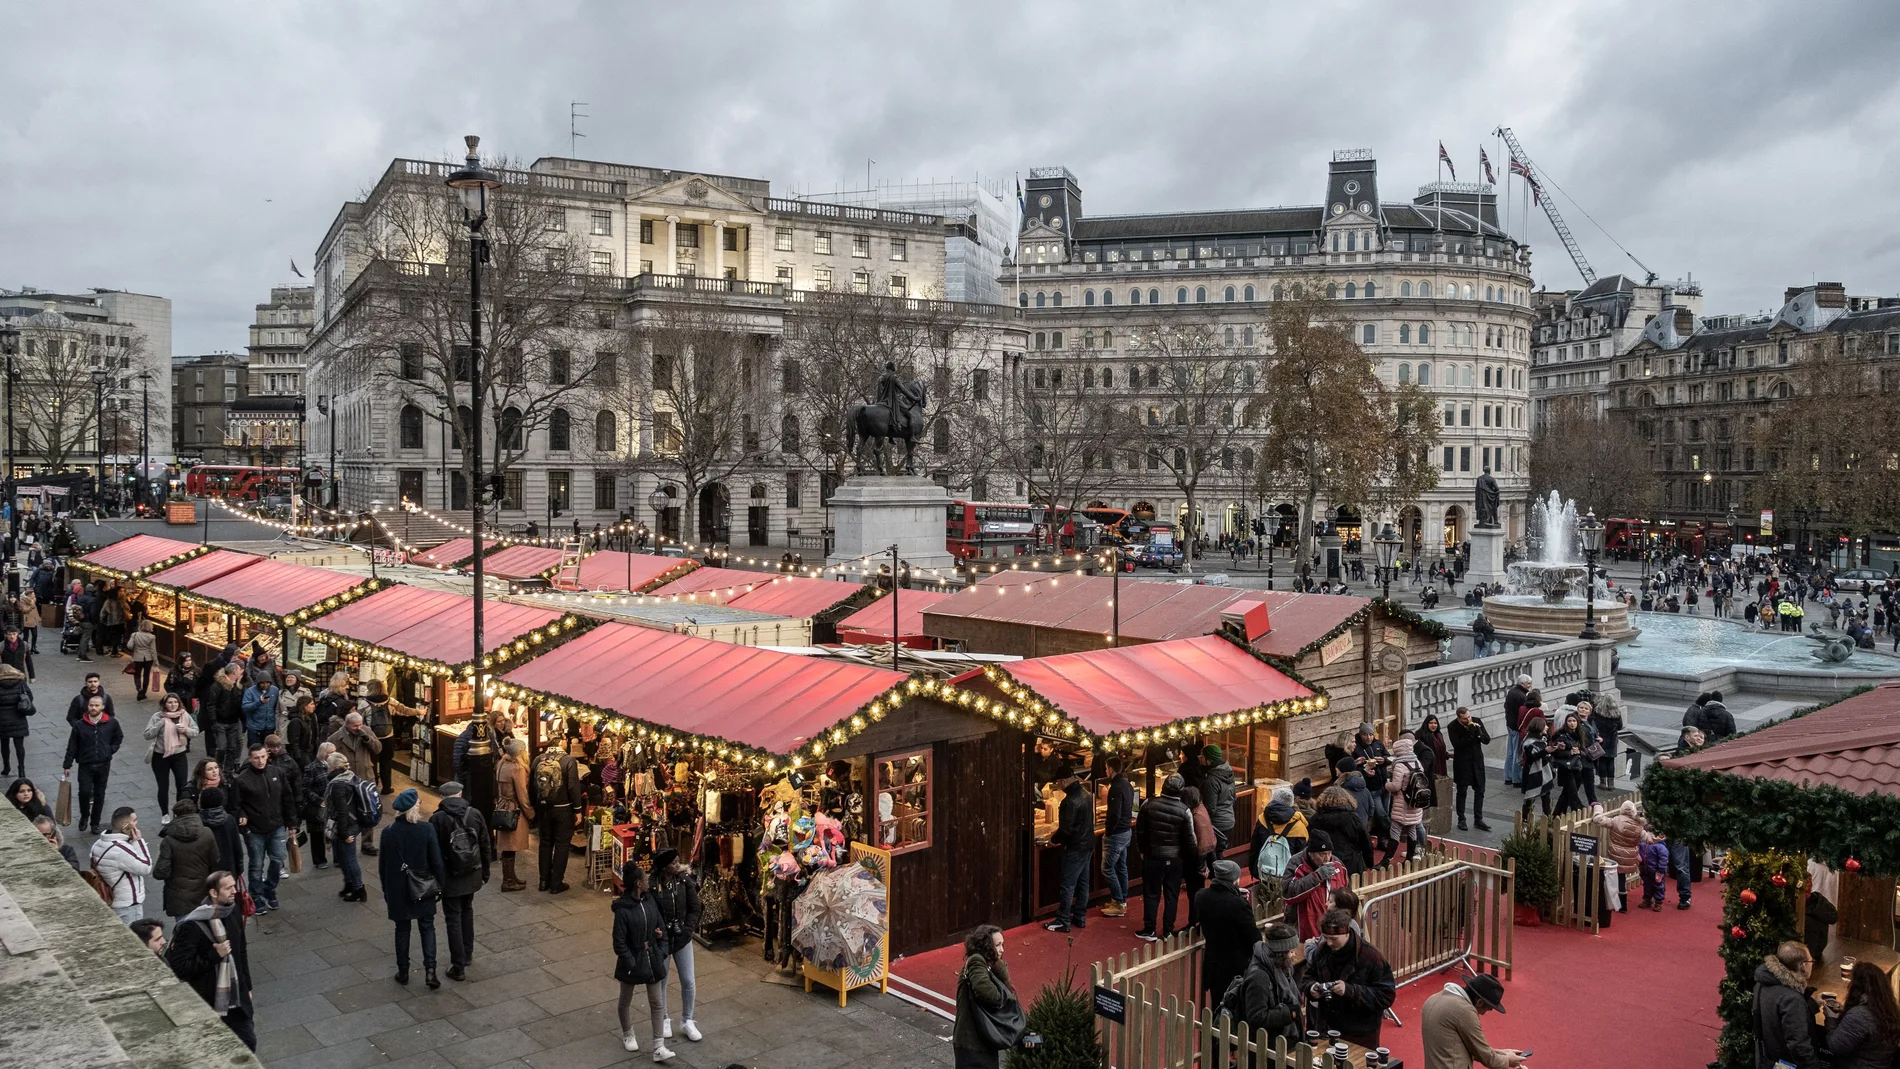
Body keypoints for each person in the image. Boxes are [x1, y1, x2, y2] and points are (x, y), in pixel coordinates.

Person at [167, 871, 256, 1050]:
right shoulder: (192, 926)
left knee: (249, 1042)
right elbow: (181, 967)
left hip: (237, 994)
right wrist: (214, 955)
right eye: (228, 888)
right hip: (210, 997)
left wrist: (247, 986)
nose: (234, 891)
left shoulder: (233, 911)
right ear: (213, 893)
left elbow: (241, 951)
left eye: (234, 886)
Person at [379, 789, 445, 988]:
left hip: (398, 889)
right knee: (427, 927)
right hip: (422, 886)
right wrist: (440, 884)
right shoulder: (426, 830)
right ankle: (430, 972)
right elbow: (436, 861)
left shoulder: (388, 833)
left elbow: (383, 867)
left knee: (402, 929)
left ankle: (403, 971)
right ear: (415, 807)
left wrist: (386, 891)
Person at [1305, 908, 1396, 1048]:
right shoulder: (1321, 952)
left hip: (1360, 1034)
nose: (1328, 943)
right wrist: (1311, 988)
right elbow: (1308, 977)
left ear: (1346, 933)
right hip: (1327, 1028)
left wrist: (1350, 991)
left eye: (1333, 939)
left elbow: (1386, 995)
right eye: (1325, 937)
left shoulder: (1371, 957)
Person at [428, 780, 492, 982]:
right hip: (472, 873)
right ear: (460, 795)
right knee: (467, 911)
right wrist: (485, 872)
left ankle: (458, 965)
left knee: (453, 918)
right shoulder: (474, 814)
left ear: (443, 798)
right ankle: (468, 953)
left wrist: (435, 879)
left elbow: (433, 854)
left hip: (450, 877)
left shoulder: (437, 819)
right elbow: (485, 844)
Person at [612, 860, 675, 1062]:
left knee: (656, 1002)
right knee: (625, 1000)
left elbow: (661, 927)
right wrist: (631, 962)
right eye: (645, 878)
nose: (649, 881)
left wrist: (661, 946)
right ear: (638, 883)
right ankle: (627, 1033)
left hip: (652, 956)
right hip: (634, 959)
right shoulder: (623, 910)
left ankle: (658, 1046)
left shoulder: (650, 901)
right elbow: (619, 942)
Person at [232, 742, 295, 914]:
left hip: (276, 826)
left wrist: (291, 823)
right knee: (256, 865)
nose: (260, 761)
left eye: (263, 757)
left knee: (278, 859)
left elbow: (287, 798)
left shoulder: (277, 772)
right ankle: (257, 896)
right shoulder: (242, 780)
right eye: (256, 758)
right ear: (250, 759)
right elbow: (236, 805)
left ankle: (269, 887)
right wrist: (244, 823)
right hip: (255, 830)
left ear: (267, 756)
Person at [1133, 773, 1197, 942]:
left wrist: (1141, 850)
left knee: (1151, 893)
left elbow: (1140, 830)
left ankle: (1149, 929)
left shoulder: (1148, 804)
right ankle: (1168, 930)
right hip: (1175, 858)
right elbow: (1191, 840)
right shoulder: (1185, 811)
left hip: (1152, 856)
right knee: (1172, 895)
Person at [651, 848, 704, 1046]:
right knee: (662, 981)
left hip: (682, 938)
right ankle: (664, 1018)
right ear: (664, 866)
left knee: (688, 980)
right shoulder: (653, 885)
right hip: (662, 939)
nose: (677, 864)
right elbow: (651, 911)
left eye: (677, 861)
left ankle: (687, 1020)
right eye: (673, 862)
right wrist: (659, 932)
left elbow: (695, 907)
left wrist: (688, 929)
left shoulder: (684, 881)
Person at [1420, 973, 1524, 1069]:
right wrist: (1508, 1060)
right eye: (1487, 1009)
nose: (1483, 1014)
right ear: (1479, 1002)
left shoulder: (1433, 999)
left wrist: (1503, 1053)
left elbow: (1462, 1047)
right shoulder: (1465, 1012)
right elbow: (1487, 1058)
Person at [1195, 859, 1258, 1009]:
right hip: (1236, 968)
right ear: (1235, 879)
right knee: (1236, 1011)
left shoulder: (1201, 896)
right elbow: (1253, 938)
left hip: (1214, 964)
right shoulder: (1239, 905)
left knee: (1217, 1008)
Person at [952, 924, 1015, 1069]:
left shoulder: (987, 965)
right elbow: (991, 995)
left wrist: (997, 965)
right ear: (987, 946)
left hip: (982, 1040)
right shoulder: (976, 962)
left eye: (1002, 944)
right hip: (972, 1044)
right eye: (998, 945)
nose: (1002, 949)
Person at [1229, 923, 1303, 1046]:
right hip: (1266, 1045)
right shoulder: (1259, 977)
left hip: (1281, 1039)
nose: (1293, 955)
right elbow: (1256, 1017)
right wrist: (1290, 1013)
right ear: (1279, 953)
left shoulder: (1281, 968)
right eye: (1290, 951)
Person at [152, 798, 222, 921]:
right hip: (203, 894)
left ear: (176, 815)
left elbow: (160, 872)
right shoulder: (207, 832)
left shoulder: (168, 840)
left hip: (179, 897)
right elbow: (215, 860)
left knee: (184, 933)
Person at [1751, 941, 1818, 1069]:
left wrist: (1812, 1005)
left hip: (1769, 1060)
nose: (1812, 965)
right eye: (1811, 961)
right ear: (1803, 966)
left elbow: (1776, 1016)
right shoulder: (1792, 999)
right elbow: (1799, 1045)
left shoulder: (1764, 982)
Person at [1043, 764, 1094, 932]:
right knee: (1083, 882)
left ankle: (1063, 919)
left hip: (1075, 847)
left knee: (1068, 884)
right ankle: (1079, 916)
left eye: (1058, 783)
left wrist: (1053, 840)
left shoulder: (1069, 802)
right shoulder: (1086, 794)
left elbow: (1066, 829)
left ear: (1063, 781)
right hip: (1087, 843)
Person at [1823, 959, 1900, 1069]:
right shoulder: (1888, 1009)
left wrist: (1831, 1019)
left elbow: (1835, 1047)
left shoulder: (1859, 1015)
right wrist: (1845, 1012)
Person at [64, 693, 123, 834]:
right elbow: (72, 745)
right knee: (84, 792)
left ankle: (95, 822)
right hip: (85, 764)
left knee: (99, 795)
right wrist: (67, 764)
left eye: (97, 705)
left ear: (102, 707)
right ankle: (85, 815)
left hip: (103, 764)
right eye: (91, 705)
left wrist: (110, 750)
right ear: (87, 706)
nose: (93, 708)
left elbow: (118, 737)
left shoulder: (112, 723)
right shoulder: (79, 725)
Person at [326, 712, 382, 853]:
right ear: (346, 724)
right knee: (347, 812)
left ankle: (367, 843)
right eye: (355, 725)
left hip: (365, 776)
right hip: (346, 780)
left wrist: (367, 739)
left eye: (360, 724)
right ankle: (346, 843)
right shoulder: (335, 738)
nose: (358, 728)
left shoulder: (366, 732)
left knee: (368, 810)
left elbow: (378, 749)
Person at [533, 743, 583, 894]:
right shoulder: (568, 761)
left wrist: (535, 807)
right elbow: (573, 787)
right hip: (563, 809)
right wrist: (578, 809)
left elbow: (532, 785)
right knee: (562, 844)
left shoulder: (537, 760)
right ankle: (556, 883)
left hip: (544, 809)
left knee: (545, 843)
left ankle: (543, 881)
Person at [1281, 830, 1348, 940]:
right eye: (1322, 854)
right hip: (1303, 933)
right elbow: (1288, 893)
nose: (1327, 858)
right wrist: (1317, 876)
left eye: (1329, 853)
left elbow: (1345, 894)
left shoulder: (1338, 865)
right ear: (1311, 853)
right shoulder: (1296, 863)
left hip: (1331, 932)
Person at [1250, 786, 1308, 910]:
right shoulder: (1299, 826)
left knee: (1265, 906)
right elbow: (1302, 855)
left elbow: (1255, 847)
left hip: (1265, 873)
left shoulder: (1262, 819)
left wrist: (1254, 869)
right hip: (1288, 876)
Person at [144, 694, 197, 823]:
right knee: (163, 786)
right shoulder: (157, 717)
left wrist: (185, 730)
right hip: (160, 756)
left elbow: (195, 731)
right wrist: (160, 725)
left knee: (182, 785)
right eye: (169, 702)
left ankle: (180, 812)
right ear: (164, 704)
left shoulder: (185, 715)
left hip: (179, 755)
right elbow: (147, 734)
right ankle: (165, 814)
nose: (173, 705)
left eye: (175, 702)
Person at [322, 752, 368, 901]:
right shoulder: (350, 776)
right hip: (352, 823)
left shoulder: (337, 785)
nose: (327, 768)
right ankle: (349, 883)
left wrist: (344, 833)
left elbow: (342, 811)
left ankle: (359, 889)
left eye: (328, 765)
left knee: (349, 858)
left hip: (345, 826)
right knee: (342, 857)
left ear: (334, 767)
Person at [494, 737, 534, 892]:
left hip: (502, 806)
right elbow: (522, 795)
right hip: (513, 809)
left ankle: (511, 877)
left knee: (507, 846)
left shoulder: (502, 764)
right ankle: (508, 881)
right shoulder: (517, 769)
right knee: (510, 846)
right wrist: (530, 813)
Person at [1309, 786, 1374, 876]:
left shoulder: (1315, 818)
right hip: (1350, 861)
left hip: (1325, 861)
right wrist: (1369, 862)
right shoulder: (1352, 818)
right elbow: (1365, 840)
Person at [1384, 737, 1430, 863]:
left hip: (1402, 804)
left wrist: (1386, 784)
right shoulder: (1417, 762)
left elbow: (1396, 786)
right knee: (1412, 829)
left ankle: (1387, 860)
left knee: (1395, 830)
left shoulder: (1399, 765)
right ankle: (1409, 858)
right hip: (1415, 804)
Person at [1100, 754, 1135, 918]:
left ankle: (1119, 902)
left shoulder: (1115, 788)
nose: (1105, 770)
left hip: (1117, 834)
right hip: (1126, 831)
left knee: (1107, 868)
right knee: (1121, 866)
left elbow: (1115, 813)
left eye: (1106, 768)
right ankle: (1120, 899)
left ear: (1111, 769)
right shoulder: (1127, 784)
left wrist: (1109, 830)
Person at [1447, 706, 1492, 832]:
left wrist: (1479, 734)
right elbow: (1458, 745)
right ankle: (1461, 818)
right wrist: (1470, 733)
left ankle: (1478, 819)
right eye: (1465, 719)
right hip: (1463, 763)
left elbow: (1487, 740)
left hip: (1477, 761)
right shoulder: (1452, 727)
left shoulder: (1477, 721)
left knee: (1480, 790)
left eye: (1469, 717)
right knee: (1462, 791)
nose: (1468, 719)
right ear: (1459, 718)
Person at [1180, 785, 1217, 928]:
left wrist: (1201, 867)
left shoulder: (1196, 816)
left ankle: (1193, 923)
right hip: (1202, 859)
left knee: (1194, 893)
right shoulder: (1201, 810)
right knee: (1196, 892)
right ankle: (1196, 921)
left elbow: (1203, 844)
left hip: (1196, 861)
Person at [297, 741, 334, 870]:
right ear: (324, 754)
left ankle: (337, 858)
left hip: (332, 805)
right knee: (317, 835)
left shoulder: (336, 765)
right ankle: (319, 860)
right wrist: (319, 801)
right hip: (317, 807)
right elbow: (305, 788)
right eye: (330, 753)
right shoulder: (311, 768)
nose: (333, 755)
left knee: (334, 831)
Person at [203, 665, 246, 776]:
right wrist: (214, 721)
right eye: (239, 670)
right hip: (220, 722)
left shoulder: (237, 685)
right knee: (221, 748)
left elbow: (238, 703)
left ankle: (228, 772)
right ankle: (218, 769)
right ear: (233, 672)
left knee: (232, 748)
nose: (241, 672)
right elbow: (211, 704)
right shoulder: (217, 686)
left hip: (234, 722)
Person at [196, 786, 245, 881]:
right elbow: (237, 846)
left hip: (206, 871)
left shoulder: (198, 822)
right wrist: (239, 868)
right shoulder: (229, 820)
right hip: (228, 869)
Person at [360, 680, 398, 794]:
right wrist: (419, 711)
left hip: (372, 737)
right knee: (386, 762)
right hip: (388, 736)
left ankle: (374, 786)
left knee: (372, 762)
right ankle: (387, 787)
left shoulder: (364, 702)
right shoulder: (389, 700)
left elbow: (360, 719)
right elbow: (402, 711)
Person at [1199, 743, 1237, 853]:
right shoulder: (1229, 772)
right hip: (1229, 819)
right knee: (1220, 852)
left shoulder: (1212, 780)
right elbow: (1234, 797)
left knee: (1215, 855)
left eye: (1202, 756)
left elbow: (1210, 808)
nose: (1200, 759)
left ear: (1209, 760)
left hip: (1217, 824)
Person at [0, 662, 34, 780]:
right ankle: (21, 769)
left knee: (4, 744)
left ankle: (6, 767)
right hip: (18, 717)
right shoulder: (20, 682)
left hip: (2, 720)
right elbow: (30, 697)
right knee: (19, 745)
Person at [1518, 716, 1553, 819]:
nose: (1546, 727)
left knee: (1546, 797)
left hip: (1544, 772)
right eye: (1544, 726)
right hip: (1532, 773)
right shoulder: (1529, 742)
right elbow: (1531, 758)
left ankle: (1548, 819)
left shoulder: (1543, 739)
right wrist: (1545, 751)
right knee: (1530, 798)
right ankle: (1525, 820)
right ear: (1539, 727)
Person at [1502, 674, 1531, 787]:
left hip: (1510, 724)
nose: (1529, 686)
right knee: (1516, 753)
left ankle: (1508, 777)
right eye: (1528, 683)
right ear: (1522, 683)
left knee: (1510, 752)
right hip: (1516, 727)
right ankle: (1516, 779)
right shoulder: (1522, 696)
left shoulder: (1512, 692)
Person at [239, 675, 279, 751]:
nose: (265, 685)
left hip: (269, 727)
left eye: (267, 683)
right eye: (262, 683)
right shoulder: (250, 691)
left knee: (268, 750)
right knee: (254, 750)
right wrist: (259, 702)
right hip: (254, 727)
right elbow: (245, 707)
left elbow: (276, 708)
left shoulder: (275, 690)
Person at [1805, 889, 1839, 968]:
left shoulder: (1817, 904)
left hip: (1812, 958)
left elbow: (1833, 917)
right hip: (1812, 957)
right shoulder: (1819, 902)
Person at [127, 620, 158, 700]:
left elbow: (129, 646)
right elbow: (153, 650)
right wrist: (156, 662)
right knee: (146, 675)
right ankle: (144, 692)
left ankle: (139, 689)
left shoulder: (134, 635)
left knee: (137, 675)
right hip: (148, 658)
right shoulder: (152, 637)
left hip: (137, 658)